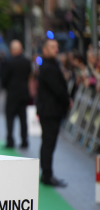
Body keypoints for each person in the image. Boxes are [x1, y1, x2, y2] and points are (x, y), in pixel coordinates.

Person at [37, 39, 72, 187]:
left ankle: (46, 173)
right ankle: (47, 174)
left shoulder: (49, 65)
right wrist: (67, 101)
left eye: (57, 46)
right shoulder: (48, 67)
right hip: (50, 111)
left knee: (48, 143)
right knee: (48, 143)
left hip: (49, 110)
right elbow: (57, 89)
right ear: (44, 50)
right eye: (52, 47)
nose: (56, 49)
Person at [1, 40, 32, 149]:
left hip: (12, 94)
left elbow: (4, 79)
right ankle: (24, 140)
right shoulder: (27, 62)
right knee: (23, 119)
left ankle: (10, 140)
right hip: (24, 94)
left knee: (10, 119)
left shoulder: (9, 62)